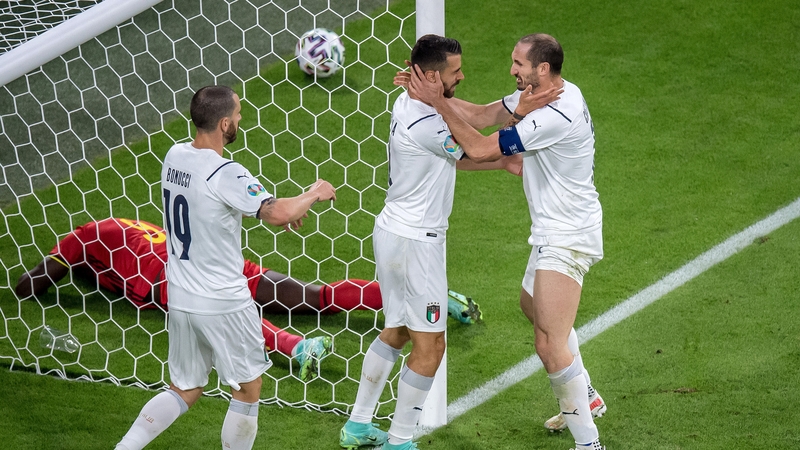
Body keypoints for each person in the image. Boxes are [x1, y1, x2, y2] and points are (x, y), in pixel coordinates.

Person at [338, 35, 559, 450]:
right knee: (432, 345)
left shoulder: (415, 103)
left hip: (394, 231)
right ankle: (400, 441)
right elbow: (471, 149)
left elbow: (470, 123)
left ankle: (357, 425)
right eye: (455, 72)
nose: (462, 76)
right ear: (434, 77)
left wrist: (507, 136)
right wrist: (514, 135)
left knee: (398, 330)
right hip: (415, 244)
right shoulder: (425, 118)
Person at [408, 34, 606, 449]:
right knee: (531, 305)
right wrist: (430, 94)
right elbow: (481, 114)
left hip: (568, 236)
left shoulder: (555, 114)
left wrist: (439, 104)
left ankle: (589, 443)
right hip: (554, 230)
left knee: (549, 344)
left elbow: (479, 148)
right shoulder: (549, 91)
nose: (512, 70)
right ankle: (586, 394)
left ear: (543, 69)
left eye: (519, 64)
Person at [112, 85, 337, 450]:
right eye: (239, 116)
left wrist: (285, 206)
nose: (241, 121)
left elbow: (255, 207)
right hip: (223, 302)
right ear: (224, 123)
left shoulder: (174, 156)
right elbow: (277, 213)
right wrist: (313, 193)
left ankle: (126, 447)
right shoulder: (225, 172)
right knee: (248, 389)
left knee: (185, 389)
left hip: (182, 297)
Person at [15, 218, 483, 380]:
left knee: (229, 314)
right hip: (218, 260)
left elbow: (34, 283)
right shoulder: (124, 229)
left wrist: (63, 266)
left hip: (171, 279)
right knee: (311, 294)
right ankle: (429, 296)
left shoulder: (82, 238)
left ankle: (294, 347)